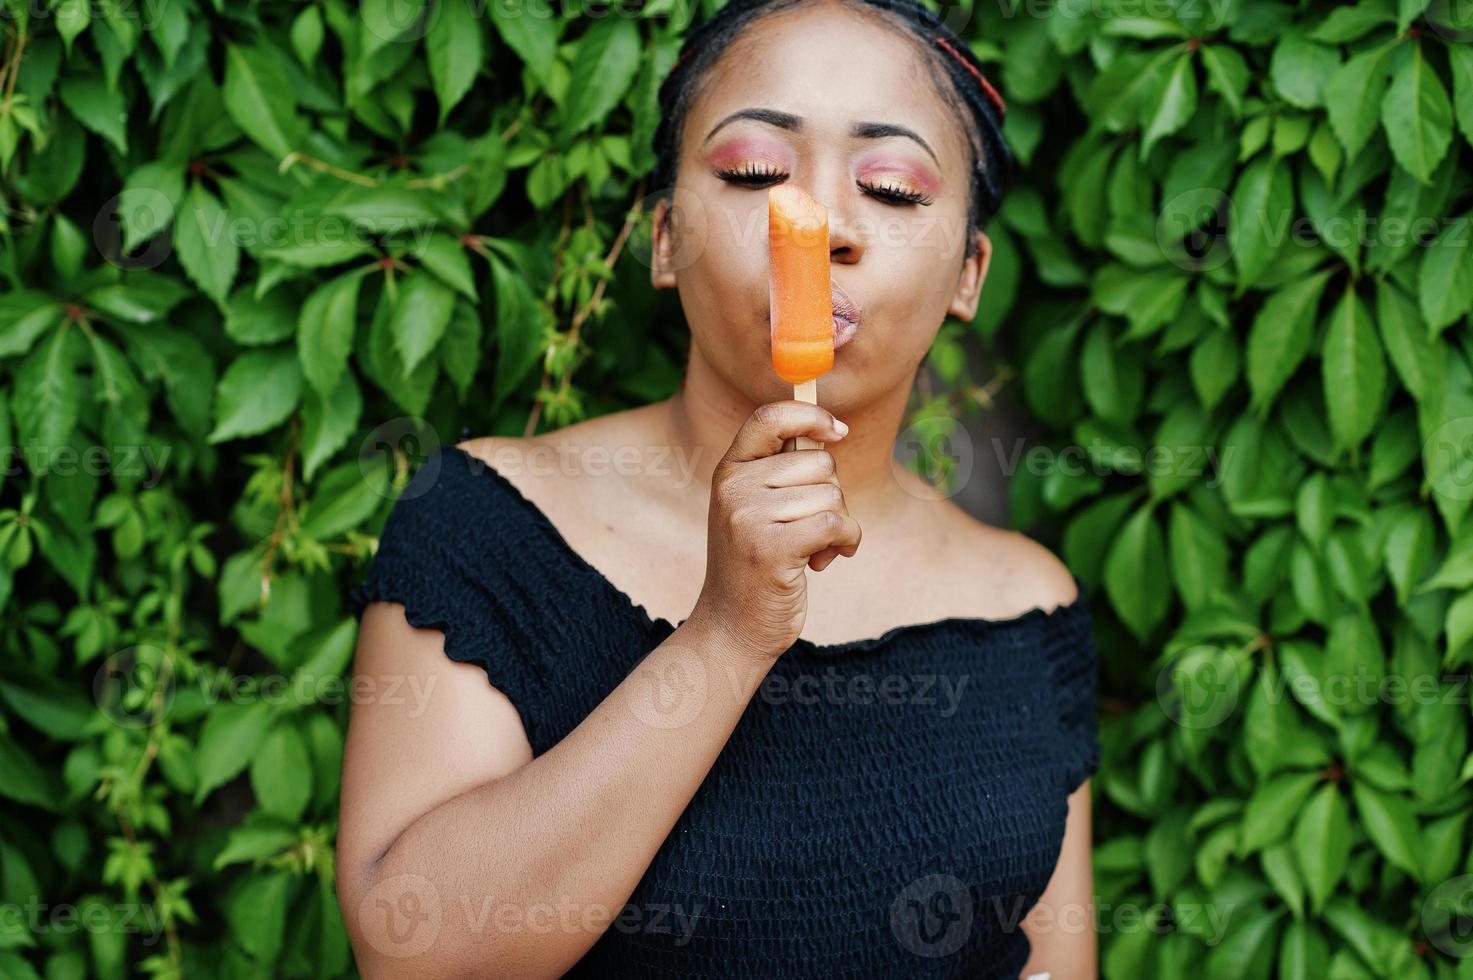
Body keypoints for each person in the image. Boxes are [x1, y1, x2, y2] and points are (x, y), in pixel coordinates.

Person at [335, 0, 1100, 976]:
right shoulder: (486, 521)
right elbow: (416, 952)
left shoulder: (1028, 605)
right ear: (664, 239)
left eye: (894, 189)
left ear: (969, 272)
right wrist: (728, 631)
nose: (816, 224)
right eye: (754, 173)